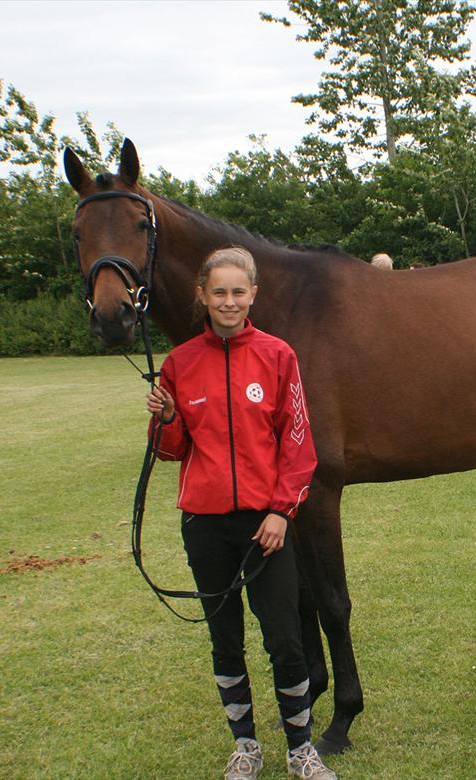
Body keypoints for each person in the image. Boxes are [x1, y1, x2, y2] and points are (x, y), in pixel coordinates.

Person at [145, 246, 336, 780]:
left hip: (266, 527)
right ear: (202, 296)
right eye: (218, 292)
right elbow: (172, 449)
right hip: (205, 526)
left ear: (253, 295)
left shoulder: (278, 357)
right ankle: (246, 746)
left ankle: (301, 748)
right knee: (224, 640)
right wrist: (164, 418)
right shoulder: (180, 364)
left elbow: (298, 445)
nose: (228, 302)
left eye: (238, 292)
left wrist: (280, 512)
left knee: (285, 639)